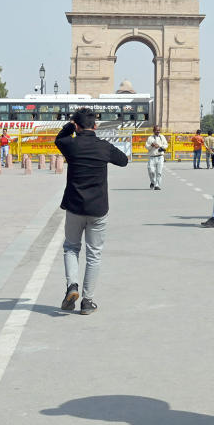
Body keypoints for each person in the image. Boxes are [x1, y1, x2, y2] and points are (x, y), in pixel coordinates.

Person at [55, 107, 129, 315]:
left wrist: (71, 124)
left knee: (71, 247)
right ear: (95, 126)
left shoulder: (70, 144)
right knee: (94, 254)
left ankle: (72, 286)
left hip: (74, 206)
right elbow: (123, 161)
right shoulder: (103, 147)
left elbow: (59, 138)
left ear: (76, 126)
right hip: (98, 208)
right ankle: (87, 301)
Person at [145, 125, 168, 190]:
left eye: (159, 130)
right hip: (152, 157)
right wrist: (152, 145)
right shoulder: (150, 138)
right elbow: (147, 146)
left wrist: (159, 145)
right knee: (151, 171)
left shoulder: (162, 137)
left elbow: (166, 145)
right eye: (156, 130)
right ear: (153, 131)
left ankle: (157, 185)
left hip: (160, 157)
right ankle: (152, 182)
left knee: (159, 172)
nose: (158, 131)